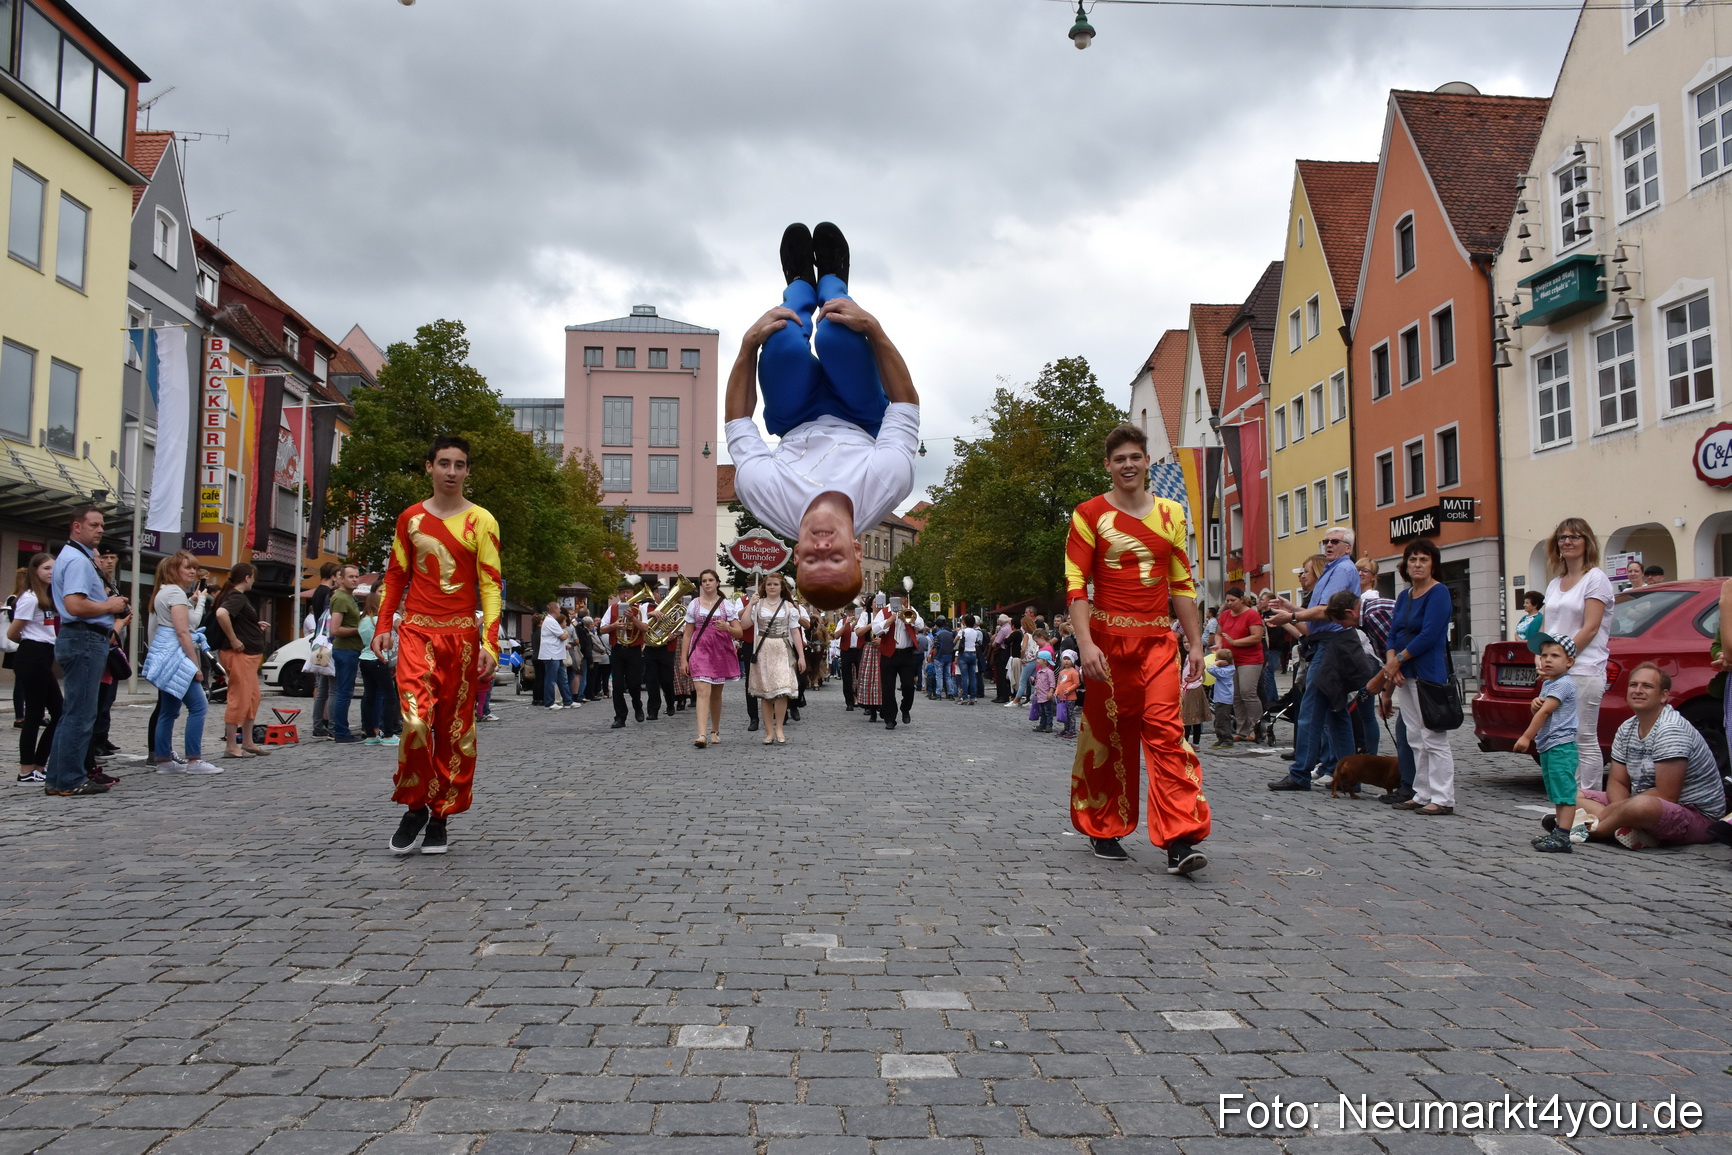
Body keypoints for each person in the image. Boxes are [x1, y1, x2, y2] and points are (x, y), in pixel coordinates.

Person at [724, 223, 920, 611]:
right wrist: (874, 329)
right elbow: (905, 404)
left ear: (796, 556)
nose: (824, 546)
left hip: (795, 416)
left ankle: (798, 286)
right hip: (859, 414)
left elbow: (738, 423)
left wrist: (748, 346)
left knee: (781, 345)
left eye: (814, 559)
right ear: (858, 550)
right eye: (836, 556)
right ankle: (832, 280)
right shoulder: (887, 483)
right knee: (837, 333)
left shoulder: (764, 496)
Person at [1066, 424, 1208, 875]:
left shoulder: (1172, 513)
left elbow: (1182, 583)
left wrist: (1196, 643)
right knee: (1111, 733)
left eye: (1135, 457)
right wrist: (1085, 644)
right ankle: (1103, 825)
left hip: (1158, 644)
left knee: (1166, 731)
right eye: (1119, 459)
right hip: (1107, 645)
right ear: (1108, 466)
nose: (1128, 465)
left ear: (1148, 462)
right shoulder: (1088, 514)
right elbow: (1076, 584)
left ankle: (1181, 838)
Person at [373, 436, 503, 855]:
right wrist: (383, 625)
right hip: (416, 632)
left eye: (459, 464)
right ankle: (414, 806)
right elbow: (395, 575)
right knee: (413, 721)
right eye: (443, 463)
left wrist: (490, 641)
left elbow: (490, 585)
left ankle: (440, 816)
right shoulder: (409, 519)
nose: (451, 471)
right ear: (428, 466)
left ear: (467, 471)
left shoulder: (482, 521)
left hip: (462, 638)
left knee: (453, 731)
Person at [1575, 663, 1726, 848]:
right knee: (1572, 795)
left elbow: (1667, 794)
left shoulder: (1671, 729)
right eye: (1633, 685)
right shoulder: (1627, 727)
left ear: (1663, 695)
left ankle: (1592, 830)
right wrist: (1623, 809)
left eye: (1647, 686)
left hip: (1695, 815)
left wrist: (1621, 809)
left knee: (1642, 806)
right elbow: (1618, 782)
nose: (1638, 690)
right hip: (1638, 801)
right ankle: (1630, 828)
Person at [1265, 528, 1361, 791]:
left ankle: (1300, 774)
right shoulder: (1334, 569)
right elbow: (1318, 613)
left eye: (1335, 541)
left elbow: (1329, 612)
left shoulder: (1342, 570)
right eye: (1326, 541)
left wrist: (1292, 617)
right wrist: (1292, 609)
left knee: (1309, 712)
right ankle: (1348, 776)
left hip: (1332, 647)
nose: (1328, 545)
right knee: (1336, 713)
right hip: (1329, 645)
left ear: (1348, 547)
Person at [44, 506, 128, 797]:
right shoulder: (78, 560)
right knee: (81, 714)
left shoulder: (72, 557)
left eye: (102, 525)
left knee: (72, 713)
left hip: (79, 638)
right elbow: (75, 606)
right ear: (77, 527)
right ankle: (69, 779)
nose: (100, 529)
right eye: (94, 524)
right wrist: (110, 606)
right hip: (84, 638)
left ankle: (58, 777)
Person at [1384, 538, 1457, 817]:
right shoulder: (1404, 596)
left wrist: (1399, 659)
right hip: (1405, 674)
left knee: (1434, 737)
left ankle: (1443, 797)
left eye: (1423, 559)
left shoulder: (1439, 593)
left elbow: (1430, 634)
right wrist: (1392, 660)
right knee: (1414, 736)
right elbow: (1394, 633)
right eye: (1413, 559)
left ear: (1433, 564)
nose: (1417, 564)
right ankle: (1422, 792)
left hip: (1428, 673)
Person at [1542, 518, 1616, 792]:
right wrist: (1543, 657)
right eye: (1563, 537)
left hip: (1584, 668)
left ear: (1587, 542)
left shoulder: (1595, 579)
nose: (1568, 541)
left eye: (1575, 536)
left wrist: (1562, 656)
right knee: (1560, 738)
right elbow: (1547, 625)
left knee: (1582, 737)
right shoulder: (1555, 583)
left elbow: (1591, 627)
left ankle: (1590, 801)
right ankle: (1569, 801)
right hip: (1557, 668)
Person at [142, 550, 222, 774]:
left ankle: (164, 761)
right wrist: (195, 665)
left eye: (194, 567)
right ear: (173, 570)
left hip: (165, 652)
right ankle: (194, 760)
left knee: (168, 709)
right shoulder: (175, 594)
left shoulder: (164, 592)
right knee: (198, 706)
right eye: (187, 567)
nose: (192, 572)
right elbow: (184, 632)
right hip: (176, 654)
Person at [1515, 635, 1581, 852]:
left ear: (1569, 662)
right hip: (1550, 746)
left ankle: (1563, 836)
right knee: (1557, 793)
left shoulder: (1563, 684)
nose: (1547, 660)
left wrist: (1526, 736)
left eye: (1555, 655)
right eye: (1544, 655)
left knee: (1565, 794)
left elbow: (1545, 712)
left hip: (1560, 746)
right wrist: (1535, 703)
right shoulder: (1551, 683)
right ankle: (1559, 832)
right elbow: (1541, 707)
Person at [8, 553, 58, 785]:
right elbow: (12, 633)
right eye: (46, 568)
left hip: (44, 655)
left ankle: (38, 765)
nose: (51, 572)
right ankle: (26, 769)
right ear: (34, 570)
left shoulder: (48, 596)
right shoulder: (29, 598)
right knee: (34, 716)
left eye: (53, 568)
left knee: (59, 712)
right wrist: (31, 642)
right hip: (32, 655)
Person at [679, 568, 744, 748]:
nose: (707, 583)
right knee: (702, 691)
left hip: (720, 650)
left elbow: (739, 632)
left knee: (716, 694)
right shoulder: (694, 604)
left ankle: (714, 730)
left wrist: (727, 628)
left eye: (710, 580)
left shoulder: (726, 605)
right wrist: (683, 659)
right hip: (700, 649)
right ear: (701, 584)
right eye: (704, 581)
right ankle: (701, 734)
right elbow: (687, 635)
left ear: (717, 583)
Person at [213, 563, 269, 758]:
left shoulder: (234, 596)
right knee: (239, 697)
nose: (253, 580)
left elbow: (235, 619)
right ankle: (231, 746)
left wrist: (253, 626)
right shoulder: (236, 596)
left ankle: (247, 741)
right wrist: (234, 639)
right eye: (253, 577)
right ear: (247, 577)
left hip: (248, 656)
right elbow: (221, 614)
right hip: (239, 656)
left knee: (252, 698)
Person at [748, 571, 803, 744]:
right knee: (766, 693)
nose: (772, 587)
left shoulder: (789, 607)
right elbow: (744, 625)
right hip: (763, 648)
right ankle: (769, 731)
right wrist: (750, 604)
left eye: (775, 584)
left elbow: (795, 632)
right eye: (769, 584)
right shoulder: (758, 604)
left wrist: (801, 656)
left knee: (782, 690)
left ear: (781, 587)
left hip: (781, 648)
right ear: (764, 586)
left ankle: (779, 727)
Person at [1216, 587, 1264, 742]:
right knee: (1236, 695)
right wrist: (1219, 646)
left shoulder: (1251, 614)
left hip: (1250, 659)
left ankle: (1256, 728)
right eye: (1227, 600)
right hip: (1231, 660)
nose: (1229, 603)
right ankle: (1242, 730)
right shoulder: (1225, 615)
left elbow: (1256, 637)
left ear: (1241, 599)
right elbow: (1218, 634)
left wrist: (1235, 642)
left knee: (1247, 693)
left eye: (1233, 600)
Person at [872, 596, 925, 729]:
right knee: (888, 688)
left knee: (908, 685)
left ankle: (905, 708)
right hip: (888, 654)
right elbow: (876, 630)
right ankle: (890, 718)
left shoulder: (910, 609)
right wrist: (890, 619)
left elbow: (920, 626)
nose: (900, 601)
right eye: (897, 598)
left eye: (902, 598)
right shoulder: (884, 612)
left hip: (906, 654)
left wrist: (908, 614)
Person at [598, 581, 646, 728]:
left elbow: (645, 628)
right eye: (623, 592)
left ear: (632, 593)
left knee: (634, 684)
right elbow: (602, 629)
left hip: (634, 650)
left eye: (628, 592)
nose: (626, 595)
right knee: (618, 685)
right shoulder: (612, 608)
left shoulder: (638, 609)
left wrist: (633, 619)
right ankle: (620, 716)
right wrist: (614, 626)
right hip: (618, 650)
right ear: (619, 594)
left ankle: (637, 706)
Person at [326, 564, 365, 744]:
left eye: (356, 576)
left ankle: (341, 729)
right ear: (340, 579)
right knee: (344, 692)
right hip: (345, 649)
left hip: (351, 649)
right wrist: (360, 629)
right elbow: (335, 629)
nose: (355, 579)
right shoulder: (341, 598)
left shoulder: (350, 597)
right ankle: (341, 732)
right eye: (350, 576)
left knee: (345, 691)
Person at [359, 591, 400, 746]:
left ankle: (370, 734)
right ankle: (388, 734)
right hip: (378, 658)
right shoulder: (379, 621)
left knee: (369, 697)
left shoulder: (362, 621)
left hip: (364, 658)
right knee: (389, 696)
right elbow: (387, 644)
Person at [308, 561, 339, 738]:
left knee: (321, 688)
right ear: (334, 576)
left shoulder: (317, 591)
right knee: (327, 688)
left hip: (319, 643)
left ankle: (319, 724)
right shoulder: (327, 594)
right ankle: (326, 724)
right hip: (327, 644)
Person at [539, 600, 572, 709]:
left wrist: (564, 633)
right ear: (554, 610)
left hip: (557, 654)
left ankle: (568, 700)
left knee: (563, 679)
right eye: (558, 608)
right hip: (551, 654)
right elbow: (562, 636)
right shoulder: (550, 621)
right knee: (551, 679)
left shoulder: (551, 621)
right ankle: (549, 702)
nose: (559, 610)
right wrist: (566, 633)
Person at [837, 599, 864, 710]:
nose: (852, 614)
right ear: (847, 612)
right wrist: (846, 625)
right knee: (847, 677)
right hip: (846, 650)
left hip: (859, 650)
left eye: (854, 612)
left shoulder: (862, 621)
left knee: (861, 676)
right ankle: (849, 701)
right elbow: (836, 635)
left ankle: (860, 699)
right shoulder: (842, 622)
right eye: (850, 612)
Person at [1208, 647, 1236, 748]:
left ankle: (1227, 739)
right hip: (1220, 698)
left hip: (1224, 699)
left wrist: (1216, 664)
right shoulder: (1226, 669)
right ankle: (1221, 738)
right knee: (1219, 719)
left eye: (1217, 659)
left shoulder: (1226, 671)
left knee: (1223, 720)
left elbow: (1210, 669)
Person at [955, 614, 982, 705]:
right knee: (973, 676)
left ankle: (965, 697)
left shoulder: (962, 631)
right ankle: (973, 697)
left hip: (964, 654)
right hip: (973, 654)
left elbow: (955, 641)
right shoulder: (976, 632)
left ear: (965, 622)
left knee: (964, 677)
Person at [1056, 652, 1080, 739]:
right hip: (1062, 697)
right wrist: (1057, 691)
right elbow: (1059, 683)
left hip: (1070, 697)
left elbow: (1076, 683)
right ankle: (1066, 729)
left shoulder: (1074, 672)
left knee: (1070, 714)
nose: (1066, 661)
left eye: (1068, 659)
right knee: (1064, 714)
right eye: (1064, 659)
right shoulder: (1062, 672)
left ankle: (1072, 730)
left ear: (1072, 661)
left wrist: (1069, 689)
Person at [1031, 651, 1057, 732]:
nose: (1037, 660)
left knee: (1048, 711)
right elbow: (1037, 682)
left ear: (1045, 661)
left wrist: (1051, 691)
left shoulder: (1049, 672)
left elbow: (1052, 683)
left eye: (1039, 658)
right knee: (1041, 711)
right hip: (1040, 695)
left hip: (1046, 695)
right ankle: (1042, 724)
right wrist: (1036, 689)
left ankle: (1049, 725)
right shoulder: (1039, 672)